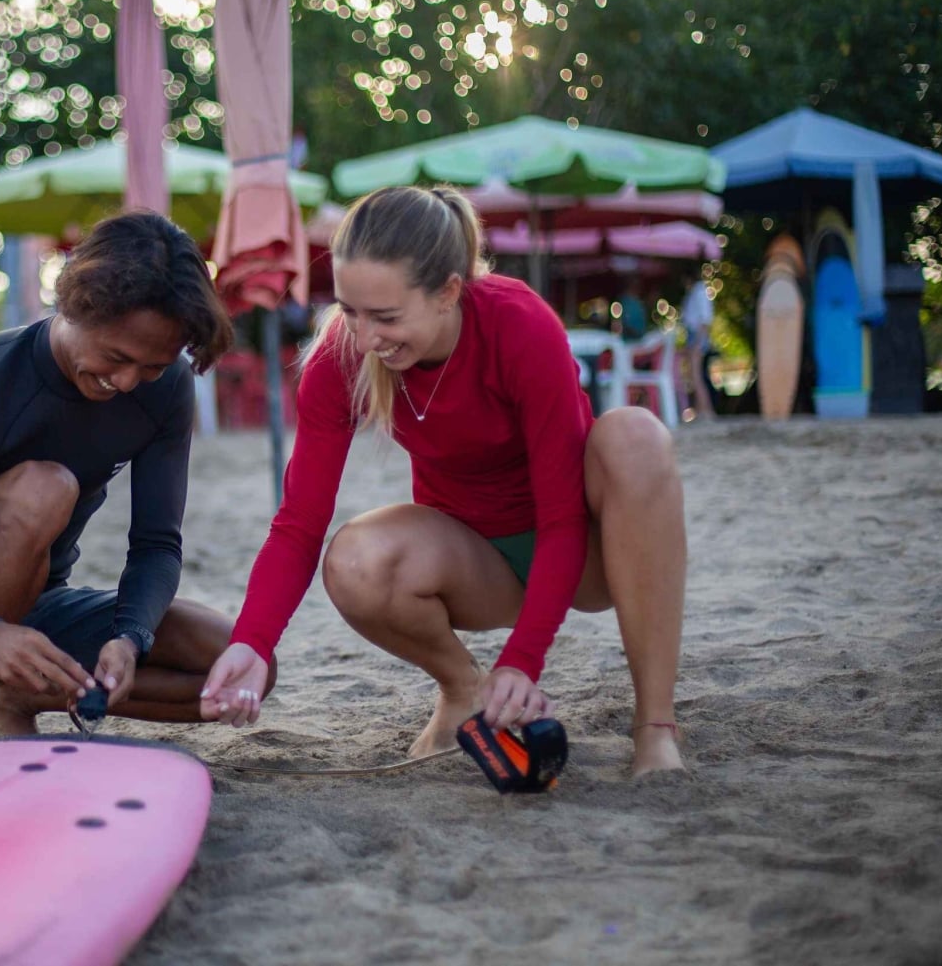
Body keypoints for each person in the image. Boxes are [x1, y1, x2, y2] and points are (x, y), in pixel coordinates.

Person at [198, 186, 686, 776]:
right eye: (350, 311)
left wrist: (523, 660)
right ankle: (463, 690)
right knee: (354, 558)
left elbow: (560, 517)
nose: (364, 337)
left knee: (635, 436)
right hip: (477, 565)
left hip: (590, 551)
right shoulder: (342, 357)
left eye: (386, 317)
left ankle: (655, 726)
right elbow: (299, 525)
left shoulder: (518, 322)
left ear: (448, 293)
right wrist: (254, 641)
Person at [0, 211, 264, 755]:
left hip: (39, 605)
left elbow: (156, 543)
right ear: (75, 304)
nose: (127, 381)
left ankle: (14, 700)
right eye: (116, 357)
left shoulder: (165, 390)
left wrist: (130, 638)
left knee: (238, 663)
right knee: (48, 486)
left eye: (151, 367)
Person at [681, 268, 717, 419]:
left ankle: (706, 410)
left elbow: (704, 321)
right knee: (695, 375)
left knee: (696, 375)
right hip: (695, 336)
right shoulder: (696, 292)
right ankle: (701, 409)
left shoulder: (700, 292)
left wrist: (697, 343)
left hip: (697, 337)